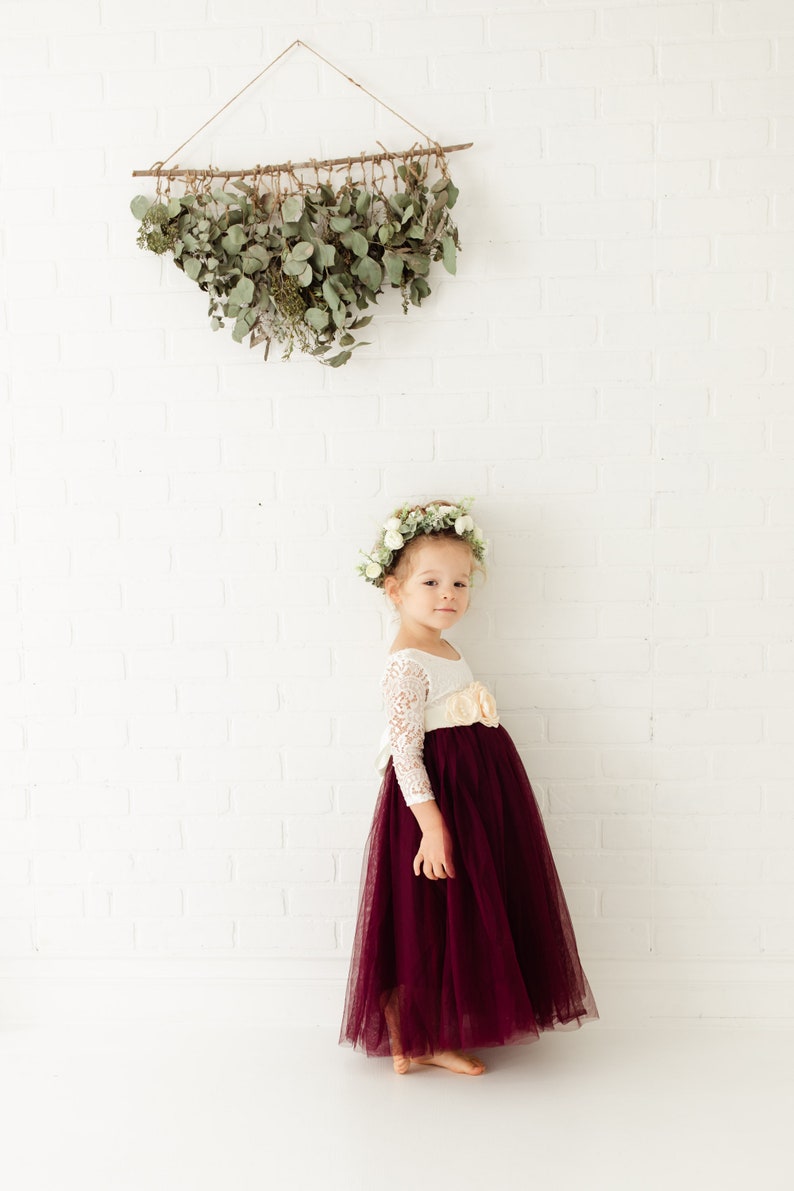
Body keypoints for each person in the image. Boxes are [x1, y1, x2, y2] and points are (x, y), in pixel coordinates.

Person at [339, 498, 598, 1076]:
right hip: (436, 804)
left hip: (473, 796)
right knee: (430, 916)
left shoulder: (443, 647)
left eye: (459, 582)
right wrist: (432, 827)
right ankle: (416, 1034)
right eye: (430, 582)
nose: (447, 594)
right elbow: (404, 752)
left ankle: (418, 1034)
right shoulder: (406, 662)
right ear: (393, 589)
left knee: (453, 915)